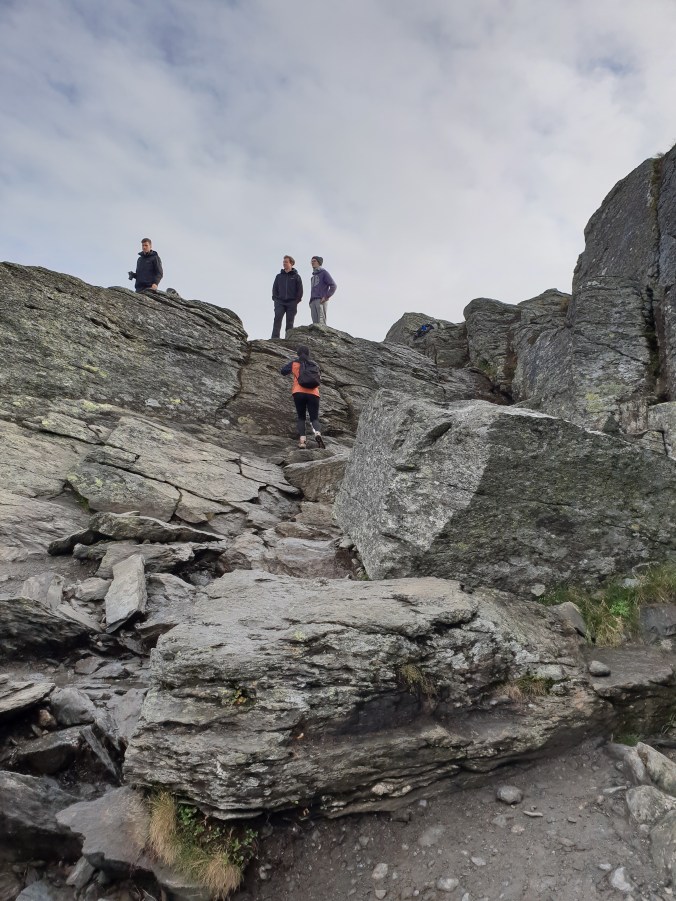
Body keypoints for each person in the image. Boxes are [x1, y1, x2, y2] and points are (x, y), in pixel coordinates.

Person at [280, 344, 325, 448]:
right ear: (308, 353)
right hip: (313, 393)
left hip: (298, 392)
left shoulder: (294, 363)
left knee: (301, 417)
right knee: (314, 418)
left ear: (298, 353)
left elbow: (283, 372)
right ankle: (317, 433)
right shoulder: (315, 364)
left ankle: (302, 442)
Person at [271, 255, 303, 338]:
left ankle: (288, 339)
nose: (284, 263)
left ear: (291, 263)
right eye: (283, 262)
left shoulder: (296, 276)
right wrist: (275, 299)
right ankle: (275, 338)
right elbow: (275, 288)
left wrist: (296, 301)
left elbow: (300, 290)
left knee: (290, 322)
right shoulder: (279, 276)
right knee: (277, 319)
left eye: (286, 262)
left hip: (291, 303)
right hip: (279, 302)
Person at [309, 256, 337, 325]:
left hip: (321, 300)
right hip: (313, 301)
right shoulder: (312, 277)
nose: (312, 262)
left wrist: (326, 297)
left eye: (314, 261)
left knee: (321, 323)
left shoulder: (324, 273)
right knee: (315, 324)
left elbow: (333, 286)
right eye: (311, 261)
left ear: (319, 262)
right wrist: (310, 301)